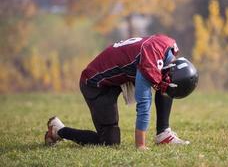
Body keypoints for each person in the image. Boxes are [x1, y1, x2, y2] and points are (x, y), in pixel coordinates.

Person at [45, 34, 198, 150]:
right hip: (95, 83)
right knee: (109, 142)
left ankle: (163, 134)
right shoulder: (150, 60)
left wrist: (165, 86)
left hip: (118, 77)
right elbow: (144, 103)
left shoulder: (166, 50)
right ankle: (59, 130)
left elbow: (164, 79)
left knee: (165, 84)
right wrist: (140, 146)